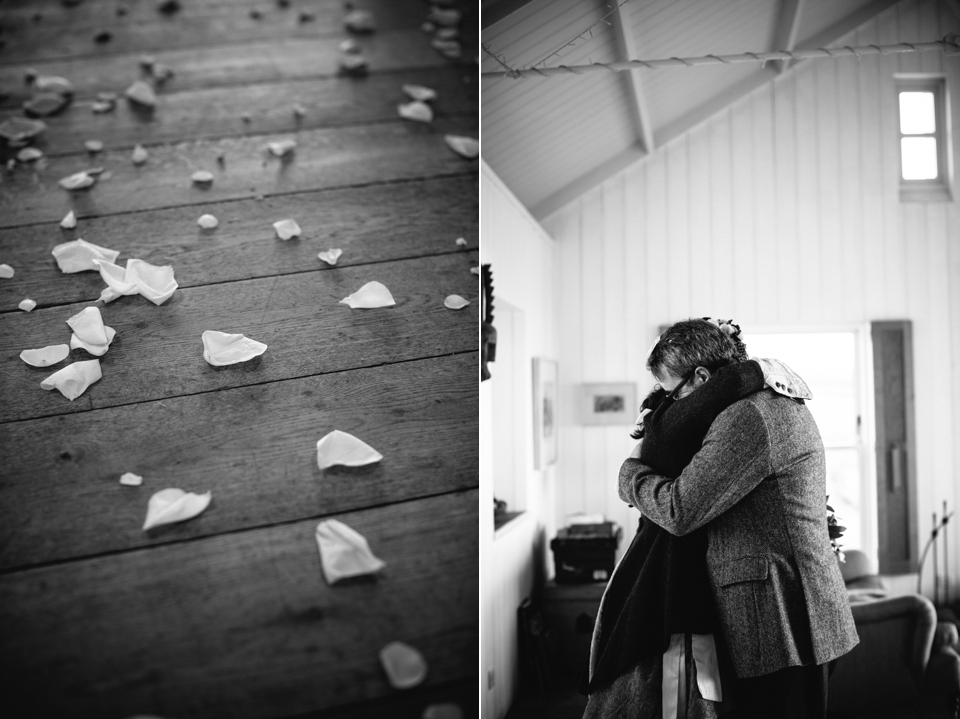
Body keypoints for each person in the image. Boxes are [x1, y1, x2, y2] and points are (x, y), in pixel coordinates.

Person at [616, 319, 859, 719]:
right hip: (783, 611)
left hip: (782, 617)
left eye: (672, 392)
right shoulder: (758, 403)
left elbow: (680, 509)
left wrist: (631, 477)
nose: (672, 405)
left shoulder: (749, 418)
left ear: (701, 376)